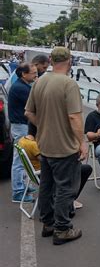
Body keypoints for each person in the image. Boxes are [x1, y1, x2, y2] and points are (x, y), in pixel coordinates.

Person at [25, 47, 87, 245]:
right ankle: (62, 229)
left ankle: (48, 223)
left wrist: (43, 126)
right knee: (65, 188)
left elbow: (28, 112)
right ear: (69, 60)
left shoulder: (39, 82)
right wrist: (82, 142)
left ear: (51, 60)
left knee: (46, 185)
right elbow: (74, 117)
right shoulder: (69, 84)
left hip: (45, 144)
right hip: (64, 147)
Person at [18, 122, 92, 210]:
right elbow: (48, 161)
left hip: (35, 174)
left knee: (77, 166)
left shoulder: (22, 140)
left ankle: (68, 198)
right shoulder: (33, 145)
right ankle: (68, 200)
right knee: (84, 169)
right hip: (45, 174)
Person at [8, 63, 38, 203]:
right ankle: (18, 192)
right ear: (23, 74)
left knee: (23, 159)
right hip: (20, 126)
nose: (35, 75)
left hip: (21, 125)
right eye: (33, 73)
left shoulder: (23, 85)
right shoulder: (21, 88)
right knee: (20, 159)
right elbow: (36, 104)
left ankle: (22, 186)